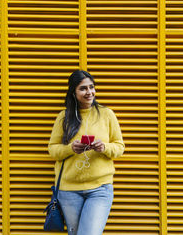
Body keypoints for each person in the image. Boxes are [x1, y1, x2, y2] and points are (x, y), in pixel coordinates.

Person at [48, 70, 125, 235]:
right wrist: (70, 148)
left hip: (100, 188)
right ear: (74, 93)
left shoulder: (107, 114)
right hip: (68, 190)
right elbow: (53, 149)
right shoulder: (64, 117)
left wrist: (104, 147)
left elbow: (119, 147)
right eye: (83, 88)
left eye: (92, 87)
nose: (89, 92)